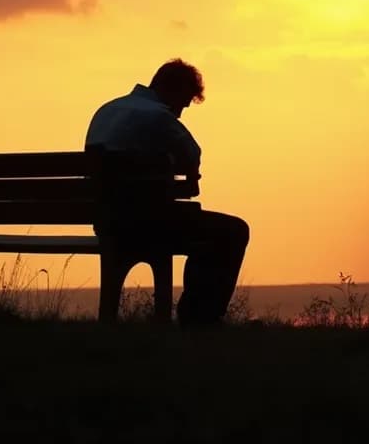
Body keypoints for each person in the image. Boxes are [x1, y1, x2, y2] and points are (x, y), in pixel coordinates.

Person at [85, 58, 250, 326]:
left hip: (107, 223)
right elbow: (192, 154)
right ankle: (200, 318)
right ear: (172, 90)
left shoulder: (106, 110)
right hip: (148, 223)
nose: (180, 113)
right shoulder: (158, 116)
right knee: (232, 230)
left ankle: (196, 316)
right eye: (183, 103)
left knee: (202, 231)